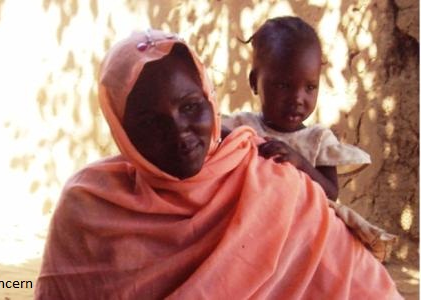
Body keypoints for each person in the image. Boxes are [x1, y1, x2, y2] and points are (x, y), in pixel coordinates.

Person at [35, 29, 402, 299]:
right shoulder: (89, 206)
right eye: (150, 122)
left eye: (191, 107)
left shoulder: (273, 181)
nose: (179, 132)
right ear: (122, 131)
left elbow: (359, 286)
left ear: (210, 101)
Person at [222, 16, 397, 262]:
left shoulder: (317, 139)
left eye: (310, 87)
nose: (298, 98)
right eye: (283, 85)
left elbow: (331, 193)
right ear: (254, 82)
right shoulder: (242, 126)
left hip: (302, 238)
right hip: (251, 234)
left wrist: (300, 162)